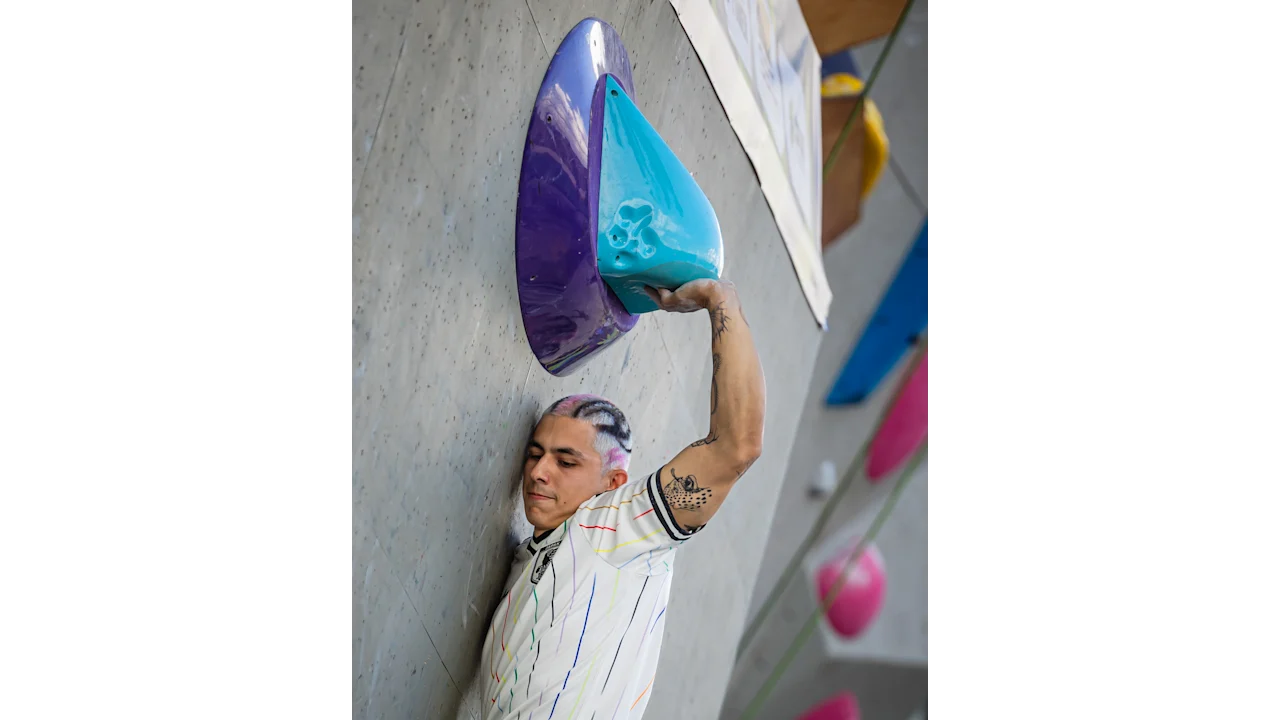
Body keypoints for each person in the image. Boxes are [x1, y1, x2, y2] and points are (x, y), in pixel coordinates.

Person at [467, 279, 765, 720]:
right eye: (534, 454)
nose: (539, 471)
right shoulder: (528, 558)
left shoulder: (615, 528)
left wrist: (721, 300)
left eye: (566, 462)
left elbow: (737, 446)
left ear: (612, 483)